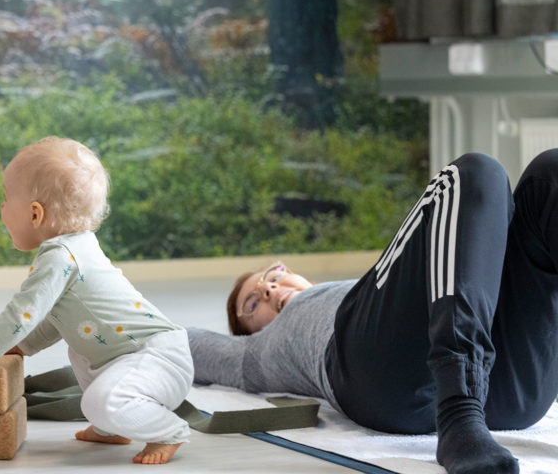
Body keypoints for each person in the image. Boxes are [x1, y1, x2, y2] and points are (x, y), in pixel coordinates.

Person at [186, 150, 558, 474]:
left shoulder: (374, 290)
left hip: (508, 390)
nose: (268, 289)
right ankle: (460, 411)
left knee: (549, 174)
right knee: (473, 172)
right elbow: (182, 342)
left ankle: (467, 399)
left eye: (273, 276)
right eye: (252, 304)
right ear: (249, 332)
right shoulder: (255, 353)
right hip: (384, 380)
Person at [0, 137, 194, 465]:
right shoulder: (77, 247)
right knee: (80, 349)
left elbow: (23, 313)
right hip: (135, 358)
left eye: (6, 199)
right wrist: (18, 347)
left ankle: (168, 431)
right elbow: (56, 320)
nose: (2, 208)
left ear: (34, 213)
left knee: (100, 400)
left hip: (155, 358)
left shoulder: (60, 257)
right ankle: (109, 426)